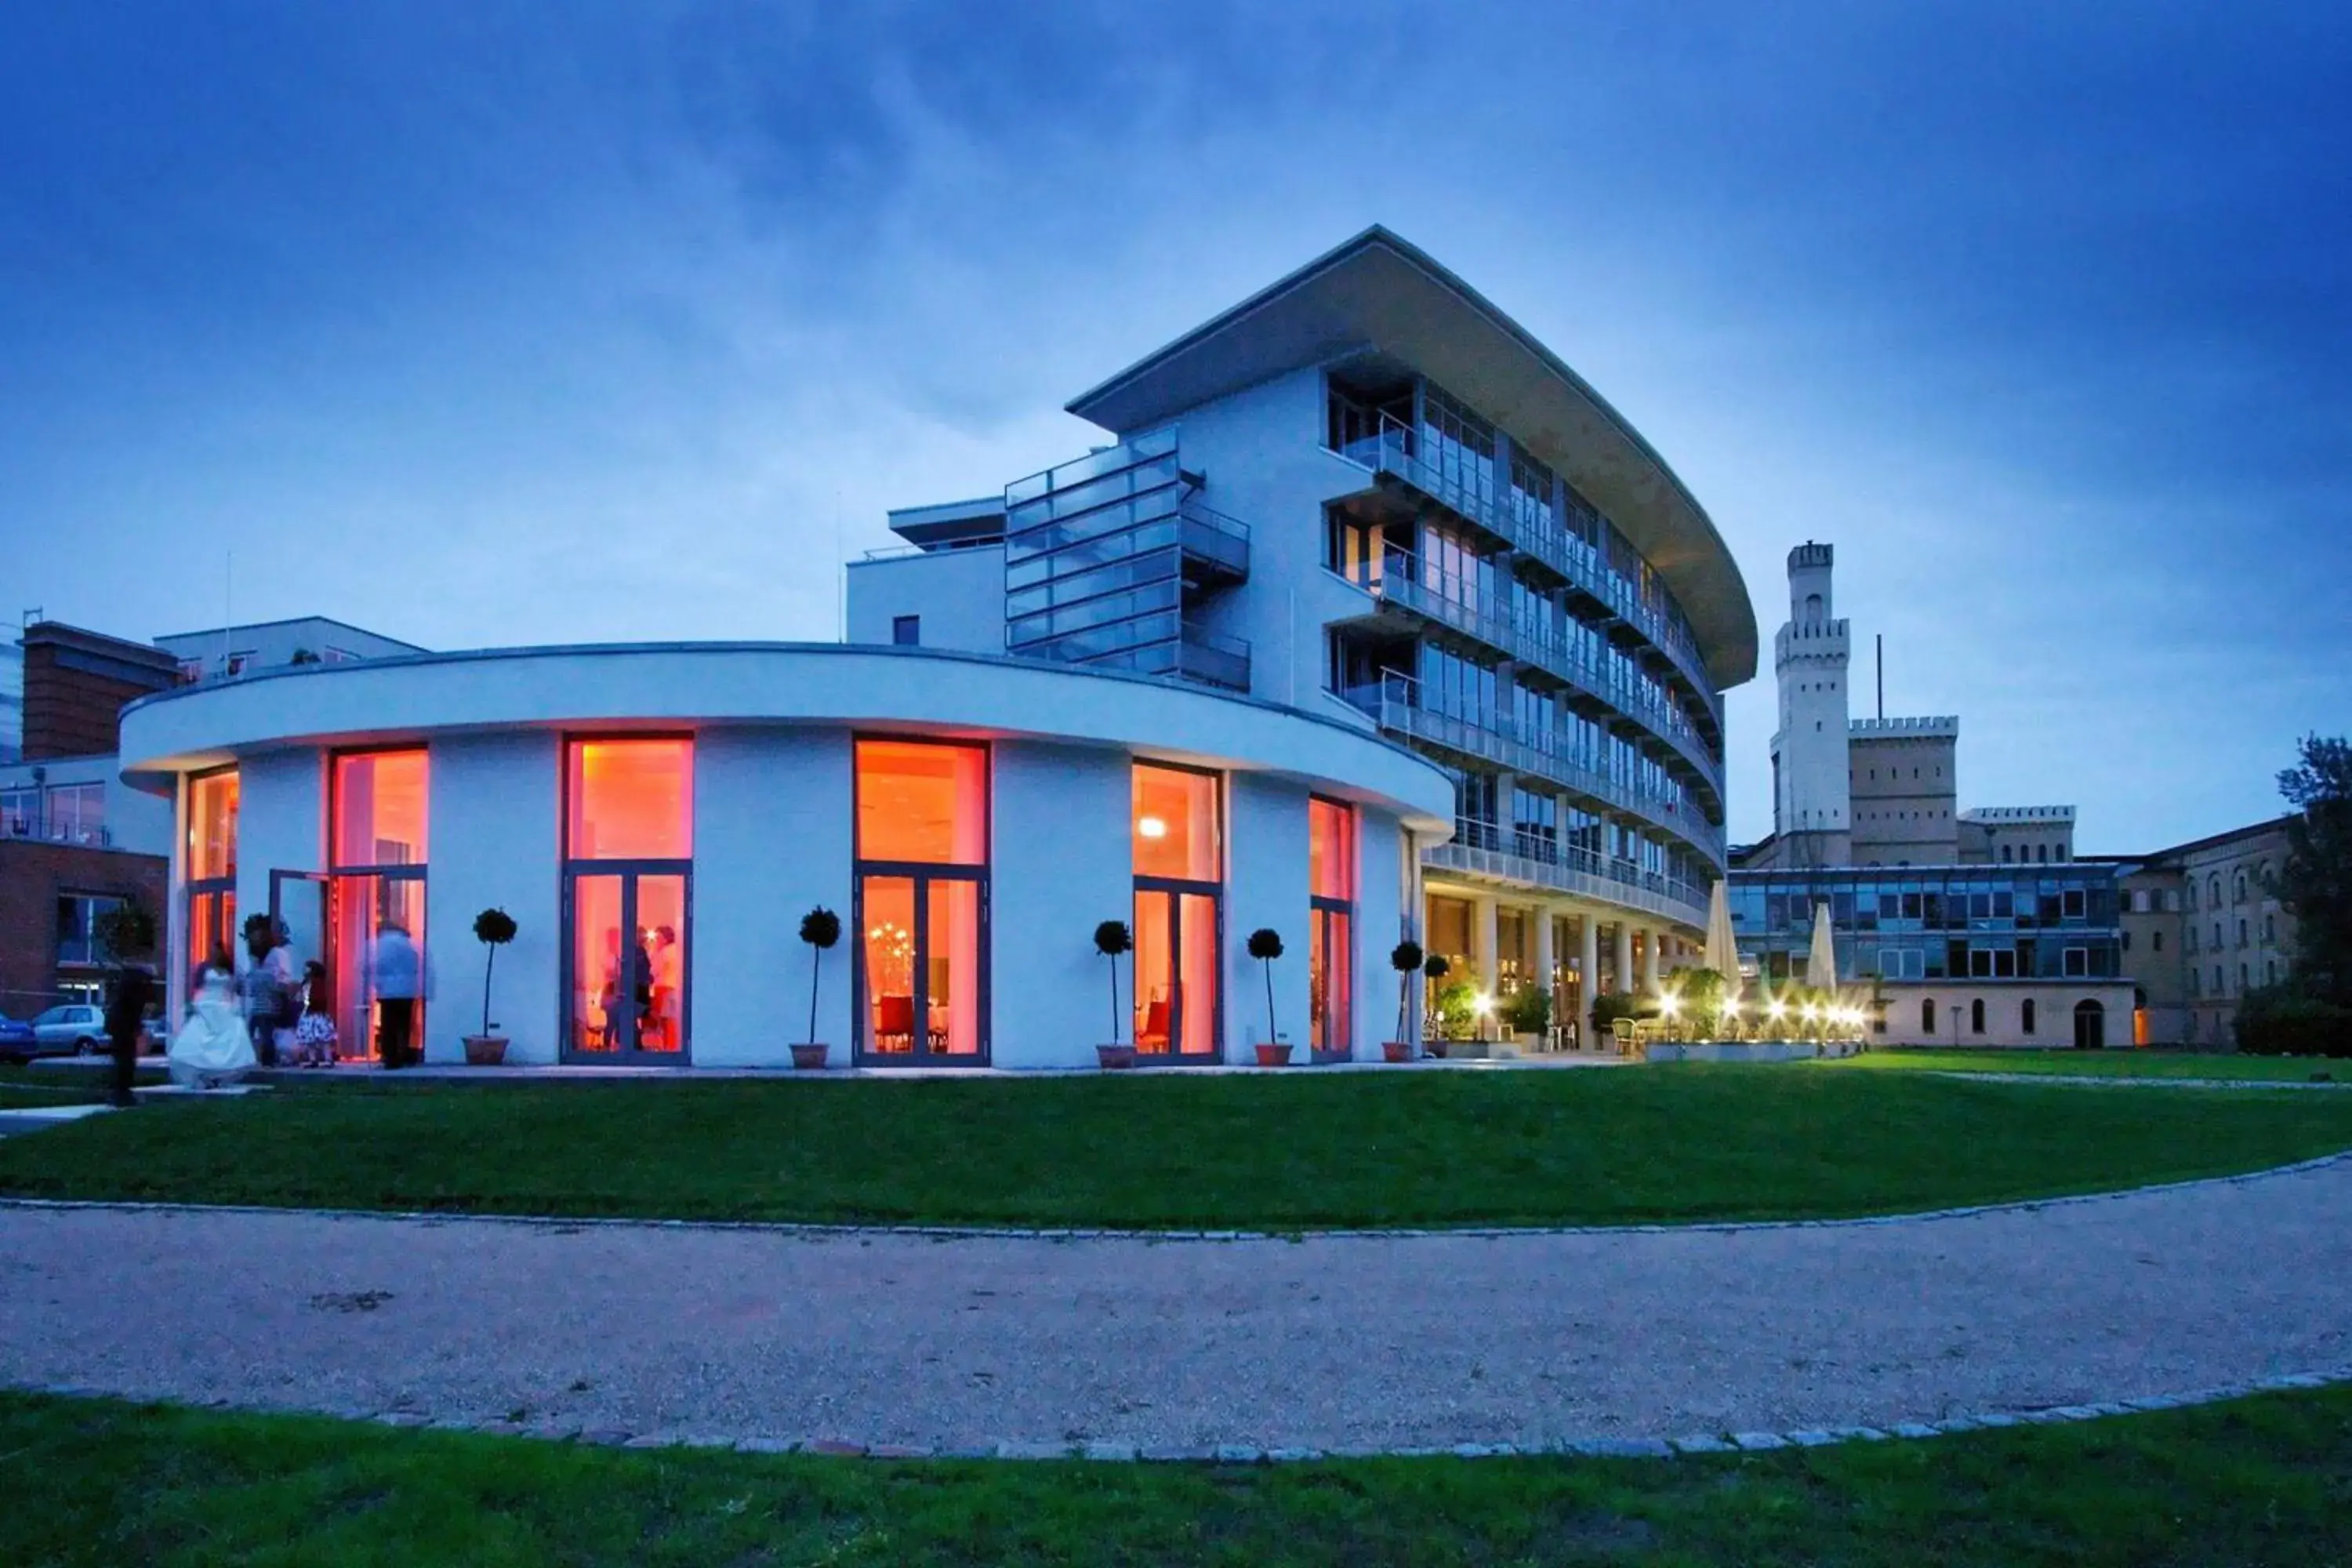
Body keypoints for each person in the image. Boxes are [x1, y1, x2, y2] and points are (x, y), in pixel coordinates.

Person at [169, 949, 256, 1089]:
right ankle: (203, 1073)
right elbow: (198, 985)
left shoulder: (230, 972)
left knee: (226, 1037)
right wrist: (193, 1001)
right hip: (207, 1003)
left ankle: (219, 1075)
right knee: (201, 1034)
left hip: (223, 1004)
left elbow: (233, 988)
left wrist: (235, 1004)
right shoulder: (205, 968)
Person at [238, 914, 299, 1069]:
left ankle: (268, 1061)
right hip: (258, 1001)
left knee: (266, 1031)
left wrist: (270, 980)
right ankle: (252, 1059)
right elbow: (252, 979)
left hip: (271, 1001)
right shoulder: (255, 957)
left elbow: (282, 979)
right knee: (252, 1030)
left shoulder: (277, 954)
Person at [103, 959, 158, 1108]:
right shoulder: (137, 985)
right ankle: (122, 1094)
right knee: (125, 1060)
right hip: (124, 1026)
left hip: (119, 1025)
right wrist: (139, 1025)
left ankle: (119, 1092)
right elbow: (137, 1008)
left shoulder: (125, 982)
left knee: (121, 1059)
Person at [368, 922, 422, 1068]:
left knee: (389, 1024)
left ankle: (391, 1057)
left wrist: (376, 983)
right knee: (404, 1024)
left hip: (389, 992)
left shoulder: (385, 948)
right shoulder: (410, 948)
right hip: (407, 992)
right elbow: (416, 967)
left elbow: (378, 966)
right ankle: (402, 1054)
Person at [292, 960, 338, 1067]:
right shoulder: (307, 982)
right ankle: (314, 1059)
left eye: (307, 967)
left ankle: (327, 1058)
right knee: (311, 1038)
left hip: (316, 1013)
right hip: (310, 1013)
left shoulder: (316, 982)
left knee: (321, 1037)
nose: (304, 970)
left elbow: (318, 998)